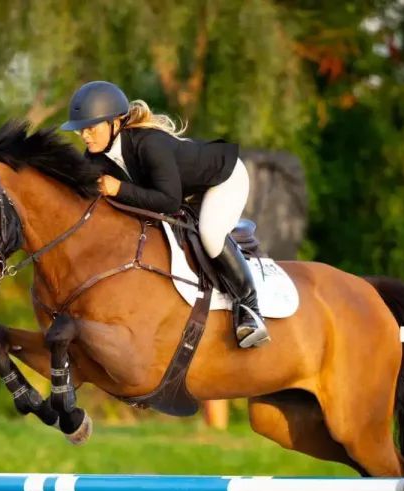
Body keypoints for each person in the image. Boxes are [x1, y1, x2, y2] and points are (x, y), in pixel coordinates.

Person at [60, 81, 270, 349]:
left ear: (115, 123)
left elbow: (168, 202)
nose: (85, 136)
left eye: (91, 128)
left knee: (210, 233)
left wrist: (118, 188)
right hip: (185, 192)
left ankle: (250, 308)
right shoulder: (94, 158)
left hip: (222, 179)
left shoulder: (149, 144)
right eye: (81, 130)